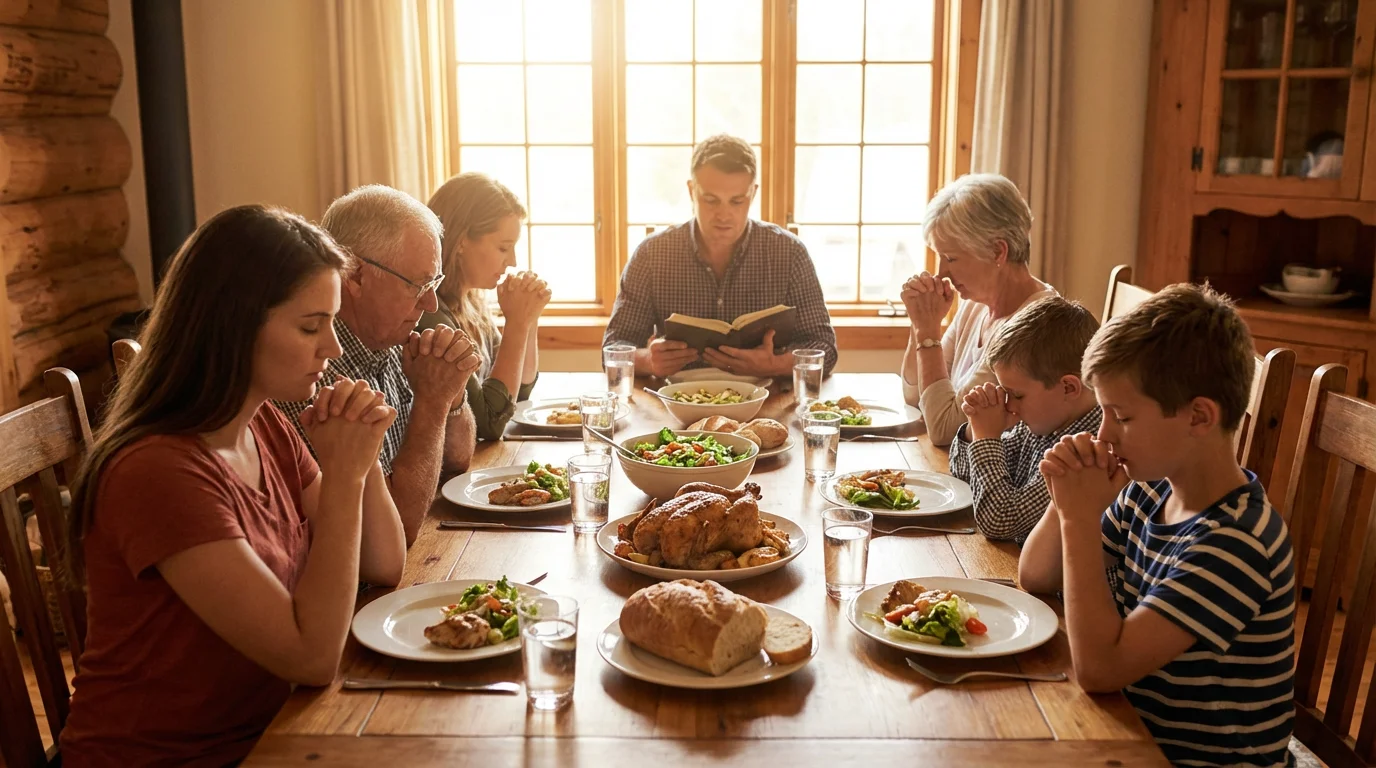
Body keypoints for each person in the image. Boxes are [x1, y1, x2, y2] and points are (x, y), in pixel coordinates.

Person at [60, 206, 406, 765]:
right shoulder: (158, 471)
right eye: (310, 326)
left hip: (273, 731)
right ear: (233, 325)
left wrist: (360, 461)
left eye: (333, 324)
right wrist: (344, 475)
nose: (333, 349)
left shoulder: (263, 423)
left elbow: (384, 563)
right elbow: (312, 657)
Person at [1018, 284, 1295, 766]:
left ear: (1199, 417)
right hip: (1127, 732)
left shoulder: (1237, 542)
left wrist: (1079, 519)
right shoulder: (1149, 490)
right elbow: (1037, 576)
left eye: (1121, 415)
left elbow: (1101, 669)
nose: (1103, 433)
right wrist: (1065, 493)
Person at [277, 185, 482, 545]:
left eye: (434, 282)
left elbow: (458, 459)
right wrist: (432, 402)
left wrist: (453, 392)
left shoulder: (390, 341)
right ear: (354, 275)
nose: (431, 304)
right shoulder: (309, 375)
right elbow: (397, 533)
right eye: (418, 284)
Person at [603, 134, 838, 379]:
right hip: (675, 405)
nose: (724, 215)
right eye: (711, 200)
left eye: (737, 201)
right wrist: (649, 361)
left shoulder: (789, 253)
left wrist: (773, 365)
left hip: (766, 404)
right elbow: (612, 350)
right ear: (692, 190)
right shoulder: (652, 254)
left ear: (753, 193)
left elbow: (824, 348)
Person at [900, 173, 1056, 447]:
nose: (942, 273)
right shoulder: (975, 305)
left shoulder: (1032, 325)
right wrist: (919, 323)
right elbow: (914, 395)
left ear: (998, 252)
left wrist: (928, 330)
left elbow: (944, 430)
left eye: (951, 258)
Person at [948, 296, 1102, 545]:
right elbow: (965, 476)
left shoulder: (1084, 452)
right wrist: (975, 430)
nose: (1008, 404)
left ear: (1068, 388)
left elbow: (1000, 522)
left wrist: (986, 437)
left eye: (1016, 394)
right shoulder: (1043, 420)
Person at [420, 172, 550, 440]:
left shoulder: (472, 301)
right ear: (462, 241)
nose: (512, 261)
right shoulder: (430, 312)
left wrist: (530, 316)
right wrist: (517, 323)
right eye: (504, 248)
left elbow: (516, 393)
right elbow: (489, 421)